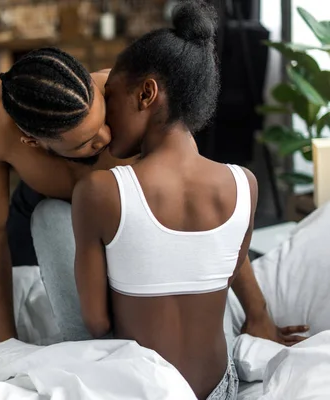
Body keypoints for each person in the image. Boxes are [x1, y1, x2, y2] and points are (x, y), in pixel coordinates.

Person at [0, 46, 306, 348]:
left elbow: (204, 205)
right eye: (85, 142)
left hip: (121, 215)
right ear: (33, 141)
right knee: (45, 227)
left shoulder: (131, 103)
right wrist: (3, 344)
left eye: (102, 121)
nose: (106, 137)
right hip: (41, 207)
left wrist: (258, 313)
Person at [47, 1, 299, 399]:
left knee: (47, 215)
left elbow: (95, 324)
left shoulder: (100, 192)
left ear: (146, 93)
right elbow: (228, 264)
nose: (105, 122)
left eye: (110, 98)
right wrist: (258, 314)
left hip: (141, 389)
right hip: (219, 390)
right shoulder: (244, 184)